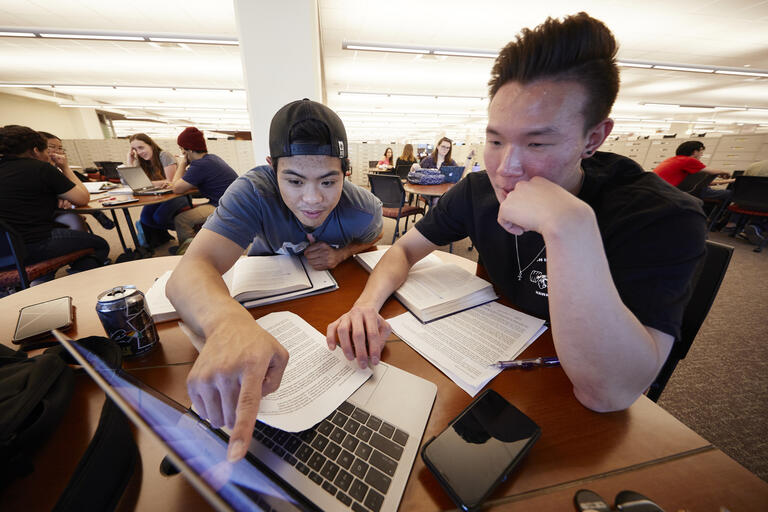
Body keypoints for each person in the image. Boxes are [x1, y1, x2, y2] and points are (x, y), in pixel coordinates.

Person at [326, 12, 707, 414]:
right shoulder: (477, 191)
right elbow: (403, 251)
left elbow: (608, 394)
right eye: (495, 139)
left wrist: (570, 227)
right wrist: (365, 306)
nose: (506, 168)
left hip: (578, 405)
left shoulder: (662, 217)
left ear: (592, 138)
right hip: (500, 370)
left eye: (537, 144)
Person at [165, 99, 383, 461]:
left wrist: (341, 253)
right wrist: (226, 322)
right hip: (266, 296)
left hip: (325, 303)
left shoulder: (363, 209)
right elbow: (190, 269)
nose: (312, 199)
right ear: (272, 168)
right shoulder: (254, 191)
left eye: (328, 181)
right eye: (294, 180)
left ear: (345, 172)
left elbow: (374, 238)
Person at [0, 125, 110, 278]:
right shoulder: (40, 168)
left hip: (4, 253)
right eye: (47, 150)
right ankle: (83, 280)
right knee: (99, 244)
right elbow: (83, 198)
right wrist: (65, 167)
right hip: (33, 245)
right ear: (36, 151)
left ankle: (42, 281)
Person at [170, 127, 238, 252]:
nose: (181, 152)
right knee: (191, 211)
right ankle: (197, 245)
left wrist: (183, 163)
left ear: (188, 150)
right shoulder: (212, 158)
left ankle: (189, 252)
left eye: (181, 148)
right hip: (232, 203)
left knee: (181, 220)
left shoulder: (199, 165)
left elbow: (176, 188)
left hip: (223, 207)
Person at [39, 131, 114, 232]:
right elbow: (82, 198)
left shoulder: (55, 169)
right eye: (51, 147)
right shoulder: (42, 170)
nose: (57, 151)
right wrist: (65, 167)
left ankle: (93, 212)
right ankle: (94, 212)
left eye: (60, 148)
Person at [126, 133, 188, 246]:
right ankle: (163, 237)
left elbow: (171, 182)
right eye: (135, 149)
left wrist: (146, 183)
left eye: (141, 147)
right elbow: (132, 182)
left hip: (177, 195)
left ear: (151, 145)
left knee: (159, 218)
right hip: (159, 195)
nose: (139, 152)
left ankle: (189, 230)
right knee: (145, 219)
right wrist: (130, 162)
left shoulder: (164, 155)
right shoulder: (141, 161)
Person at [654, 141, 733, 202]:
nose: (701, 155)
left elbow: (698, 183)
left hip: (659, 190)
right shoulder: (689, 160)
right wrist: (725, 173)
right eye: (701, 152)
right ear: (695, 152)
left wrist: (729, 180)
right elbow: (712, 171)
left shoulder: (673, 159)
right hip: (670, 192)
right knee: (733, 194)